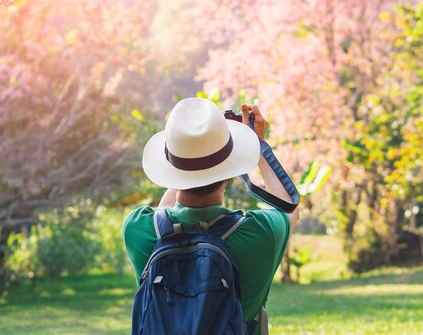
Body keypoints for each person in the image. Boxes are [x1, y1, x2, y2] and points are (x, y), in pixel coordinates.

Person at [122, 97, 299, 334]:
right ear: (230, 172)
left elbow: (163, 212)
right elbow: (289, 209)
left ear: (171, 170)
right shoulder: (260, 234)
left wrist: (191, 158)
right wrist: (257, 146)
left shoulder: (137, 227)